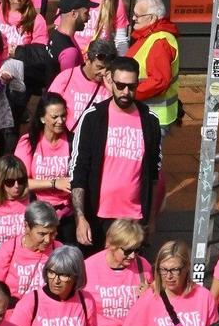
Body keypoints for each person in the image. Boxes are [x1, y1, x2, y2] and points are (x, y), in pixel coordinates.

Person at [69, 60, 162, 253]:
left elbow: (154, 175)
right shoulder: (93, 118)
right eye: (120, 86)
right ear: (110, 81)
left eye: (131, 87)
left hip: (134, 218)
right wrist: (80, 218)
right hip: (98, 217)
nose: (125, 92)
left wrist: (151, 219)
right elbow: (78, 171)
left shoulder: (150, 121)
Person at [129, 0, 181, 131]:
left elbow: (159, 81)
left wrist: (130, 93)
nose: (134, 18)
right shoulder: (149, 36)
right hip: (148, 112)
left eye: (137, 15)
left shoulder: (159, 43)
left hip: (152, 116)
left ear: (151, 18)